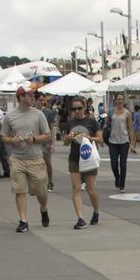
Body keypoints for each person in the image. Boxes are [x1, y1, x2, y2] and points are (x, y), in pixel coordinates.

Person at [1, 84, 51, 233]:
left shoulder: (38, 114)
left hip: (35, 158)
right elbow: (3, 136)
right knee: (19, 190)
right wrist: (12, 140)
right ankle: (23, 221)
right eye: (29, 95)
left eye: (33, 95)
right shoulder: (10, 116)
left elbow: (47, 135)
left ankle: (43, 208)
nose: (32, 97)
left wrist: (34, 139)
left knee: (40, 191)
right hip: (17, 159)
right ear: (21, 97)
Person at [63, 96, 101, 228]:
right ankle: (80, 218)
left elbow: (100, 139)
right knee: (76, 188)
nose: (77, 111)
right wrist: (68, 138)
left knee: (90, 189)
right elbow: (65, 143)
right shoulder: (70, 123)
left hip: (88, 157)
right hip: (74, 158)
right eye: (74, 109)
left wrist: (89, 137)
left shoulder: (92, 122)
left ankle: (96, 211)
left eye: (79, 108)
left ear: (84, 107)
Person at [105, 93, 134, 189]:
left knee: (123, 164)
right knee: (114, 164)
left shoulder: (127, 113)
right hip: (112, 141)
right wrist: (105, 128)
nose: (120, 101)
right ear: (115, 101)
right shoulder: (111, 111)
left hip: (124, 142)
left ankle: (122, 184)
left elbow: (130, 129)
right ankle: (117, 177)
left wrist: (132, 143)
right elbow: (106, 123)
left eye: (122, 99)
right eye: (118, 99)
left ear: (124, 101)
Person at [38, 92, 57, 190]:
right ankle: (38, 183)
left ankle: (50, 181)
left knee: (47, 163)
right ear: (35, 100)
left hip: (46, 142)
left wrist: (53, 143)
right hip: (35, 142)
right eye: (40, 100)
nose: (42, 102)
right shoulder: (31, 112)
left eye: (43, 100)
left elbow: (52, 127)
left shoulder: (48, 112)